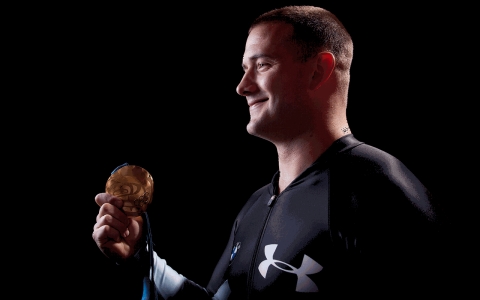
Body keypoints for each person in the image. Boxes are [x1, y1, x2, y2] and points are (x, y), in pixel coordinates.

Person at [93, 5, 445, 299]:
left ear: (319, 70)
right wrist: (145, 259)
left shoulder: (378, 190)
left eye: (262, 65)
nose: (242, 87)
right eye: (244, 69)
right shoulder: (254, 207)